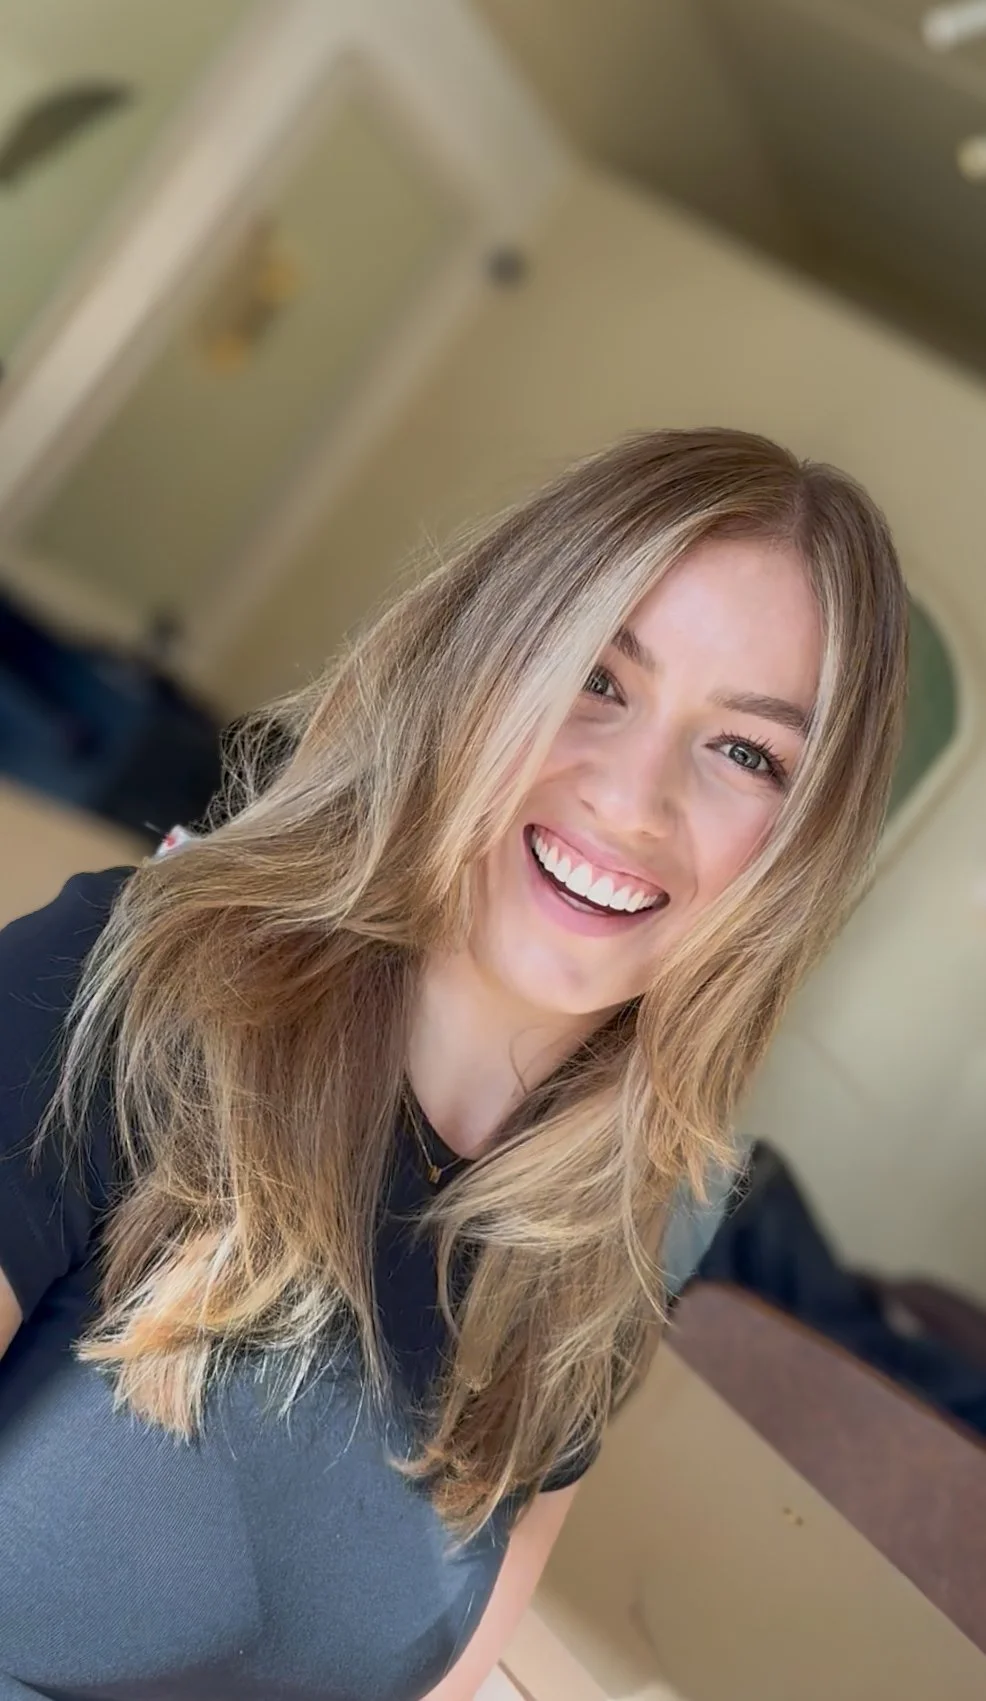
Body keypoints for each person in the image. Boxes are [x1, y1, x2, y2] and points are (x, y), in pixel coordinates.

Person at [0, 427, 908, 1701]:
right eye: (597, 677)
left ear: (794, 855)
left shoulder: (640, 1224)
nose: (632, 797)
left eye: (744, 753)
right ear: (484, 667)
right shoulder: (122, 987)